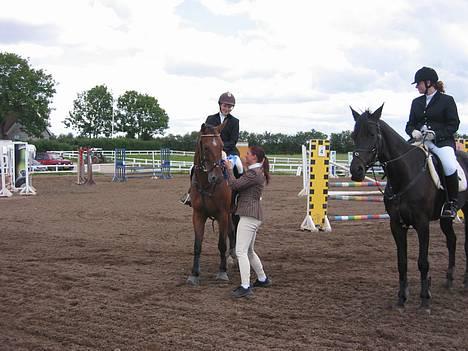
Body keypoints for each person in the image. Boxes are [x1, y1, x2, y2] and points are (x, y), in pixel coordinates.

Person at [405, 66, 460, 218]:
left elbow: (453, 124)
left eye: (418, 83)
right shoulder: (416, 102)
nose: (417, 87)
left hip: (441, 142)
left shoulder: (447, 100)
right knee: (402, 159)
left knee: (449, 164)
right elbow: (409, 124)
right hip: (419, 142)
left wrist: (435, 134)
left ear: (429, 82)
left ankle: (452, 203)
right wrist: (412, 132)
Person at [180, 92, 241, 205]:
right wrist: (214, 149)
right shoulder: (211, 118)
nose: (227, 108)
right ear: (220, 105)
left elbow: (233, 141)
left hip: (229, 151)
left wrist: (221, 149)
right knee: (192, 168)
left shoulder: (235, 121)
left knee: (239, 166)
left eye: (229, 106)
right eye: (225, 105)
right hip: (211, 152)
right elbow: (205, 136)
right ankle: (191, 194)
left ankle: (240, 195)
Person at [226, 146, 271, 298]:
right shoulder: (257, 171)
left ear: (255, 158)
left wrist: (229, 170)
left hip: (248, 215)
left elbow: (234, 185)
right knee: (249, 251)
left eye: (248, 154)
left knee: (240, 252)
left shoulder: (253, 173)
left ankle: (245, 286)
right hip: (254, 214)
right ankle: (262, 278)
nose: (245, 156)